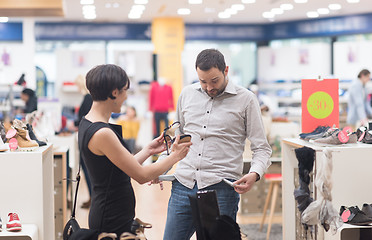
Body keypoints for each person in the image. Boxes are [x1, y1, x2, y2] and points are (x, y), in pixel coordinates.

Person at [163, 49, 272, 239]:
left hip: (221, 188)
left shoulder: (246, 100)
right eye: (202, 81)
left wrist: (254, 173)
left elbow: (262, 148)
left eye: (214, 81)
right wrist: (161, 166)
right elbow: (178, 140)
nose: (208, 87)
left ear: (226, 70)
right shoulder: (187, 94)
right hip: (183, 184)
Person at [78, 64, 192, 237]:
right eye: (125, 91)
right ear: (114, 93)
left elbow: (119, 168)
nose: (126, 98)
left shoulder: (89, 123)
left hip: (112, 212)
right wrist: (176, 156)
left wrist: (148, 150)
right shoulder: (103, 133)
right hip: (111, 217)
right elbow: (141, 175)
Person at [74, 74, 93, 209]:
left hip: (86, 136)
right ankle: (92, 197)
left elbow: (84, 117)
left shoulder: (87, 98)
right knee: (87, 168)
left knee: (87, 168)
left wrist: (75, 122)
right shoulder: (89, 98)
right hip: (87, 135)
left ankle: (93, 197)